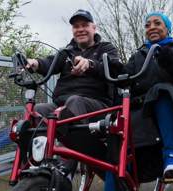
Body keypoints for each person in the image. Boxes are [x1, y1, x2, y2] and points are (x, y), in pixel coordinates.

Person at [26, 9, 122, 189]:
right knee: (37, 110)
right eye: (76, 26)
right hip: (62, 105)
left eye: (85, 25)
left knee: (74, 102)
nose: (80, 29)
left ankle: (66, 170)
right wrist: (34, 63)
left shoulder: (106, 48)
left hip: (96, 106)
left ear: (94, 27)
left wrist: (91, 64)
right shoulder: (66, 52)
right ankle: (37, 168)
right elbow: (48, 63)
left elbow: (116, 68)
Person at [121, 12, 173, 182]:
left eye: (157, 23)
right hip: (141, 111)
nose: (152, 27)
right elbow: (124, 77)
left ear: (167, 29)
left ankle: (172, 156)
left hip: (171, 105)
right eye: (148, 25)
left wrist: (170, 58)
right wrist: (115, 68)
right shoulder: (137, 56)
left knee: (161, 90)